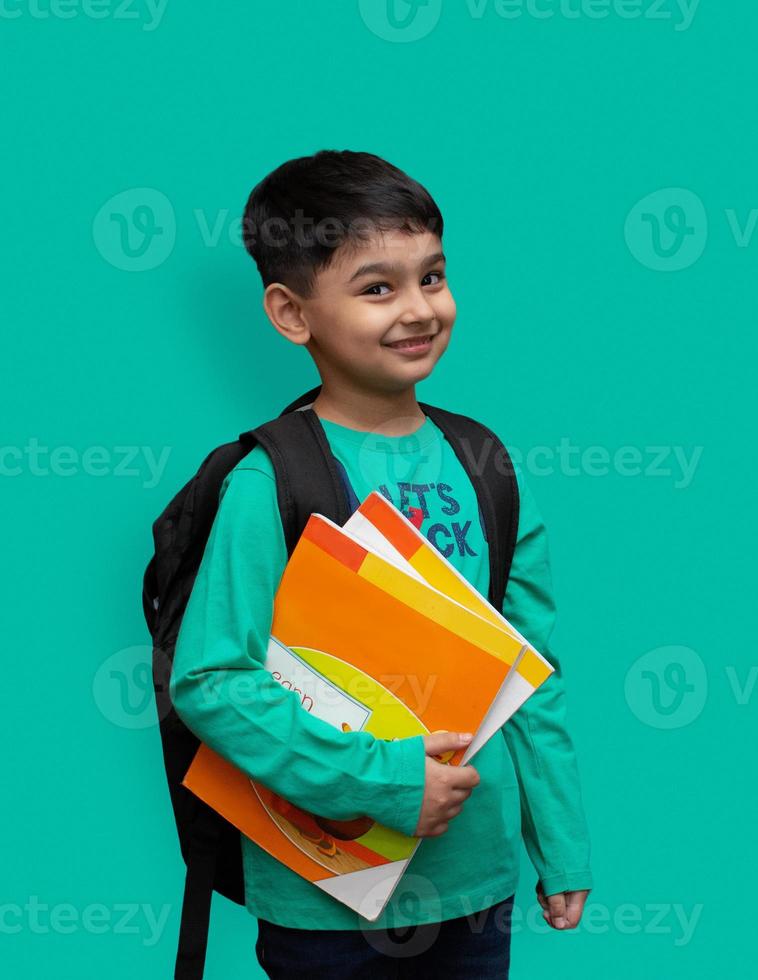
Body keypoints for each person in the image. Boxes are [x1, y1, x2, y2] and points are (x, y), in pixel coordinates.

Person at [169, 149, 593, 979]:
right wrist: (392, 778)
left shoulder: (484, 463)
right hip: (322, 887)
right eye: (377, 288)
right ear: (292, 315)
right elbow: (212, 681)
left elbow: (532, 672)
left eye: (432, 277)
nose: (419, 309)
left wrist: (562, 842)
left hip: (475, 884)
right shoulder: (271, 481)